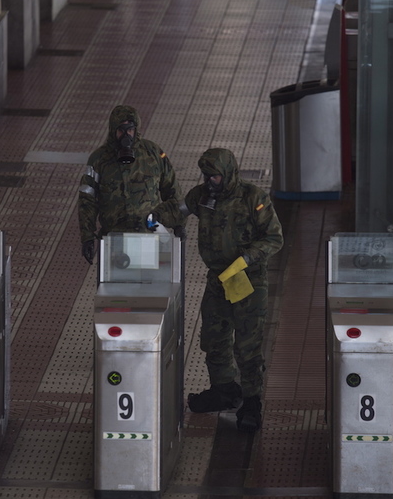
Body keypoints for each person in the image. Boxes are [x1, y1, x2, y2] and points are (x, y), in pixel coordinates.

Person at [153, 148, 283, 430]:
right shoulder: (202, 196)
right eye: (207, 176)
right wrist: (152, 218)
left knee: (247, 344)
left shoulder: (253, 198)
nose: (211, 181)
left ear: (228, 174)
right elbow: (179, 211)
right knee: (214, 338)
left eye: (215, 176)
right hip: (219, 279)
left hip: (246, 279)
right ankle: (224, 389)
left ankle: (251, 401)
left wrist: (246, 258)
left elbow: (274, 238)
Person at [78, 104, 185, 262]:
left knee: (149, 284)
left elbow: (172, 190)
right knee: (115, 284)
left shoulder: (153, 154)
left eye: (130, 130)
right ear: (113, 131)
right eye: (121, 130)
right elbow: (87, 200)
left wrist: (179, 224)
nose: (126, 136)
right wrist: (87, 237)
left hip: (149, 237)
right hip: (114, 239)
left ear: (136, 130)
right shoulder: (99, 159)